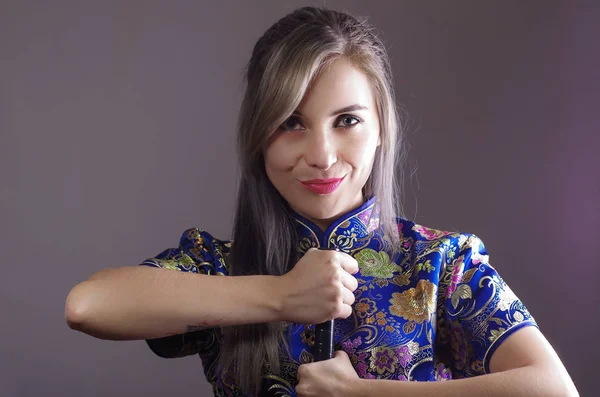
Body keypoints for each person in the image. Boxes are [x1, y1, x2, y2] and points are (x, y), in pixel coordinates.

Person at [64, 6, 578, 397]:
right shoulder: (222, 265)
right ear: (259, 137)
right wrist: (280, 296)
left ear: (381, 128)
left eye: (347, 120)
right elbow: (87, 306)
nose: (322, 155)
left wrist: (368, 394)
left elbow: (552, 387)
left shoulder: (440, 263)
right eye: (291, 123)